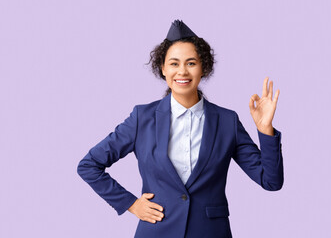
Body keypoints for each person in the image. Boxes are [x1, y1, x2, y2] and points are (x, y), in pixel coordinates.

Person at [77, 19, 284, 238]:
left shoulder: (227, 121)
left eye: (191, 63)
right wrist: (131, 204)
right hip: (156, 232)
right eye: (174, 63)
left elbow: (271, 181)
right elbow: (89, 165)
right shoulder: (142, 118)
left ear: (203, 68)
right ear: (163, 69)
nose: (182, 71)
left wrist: (265, 129)